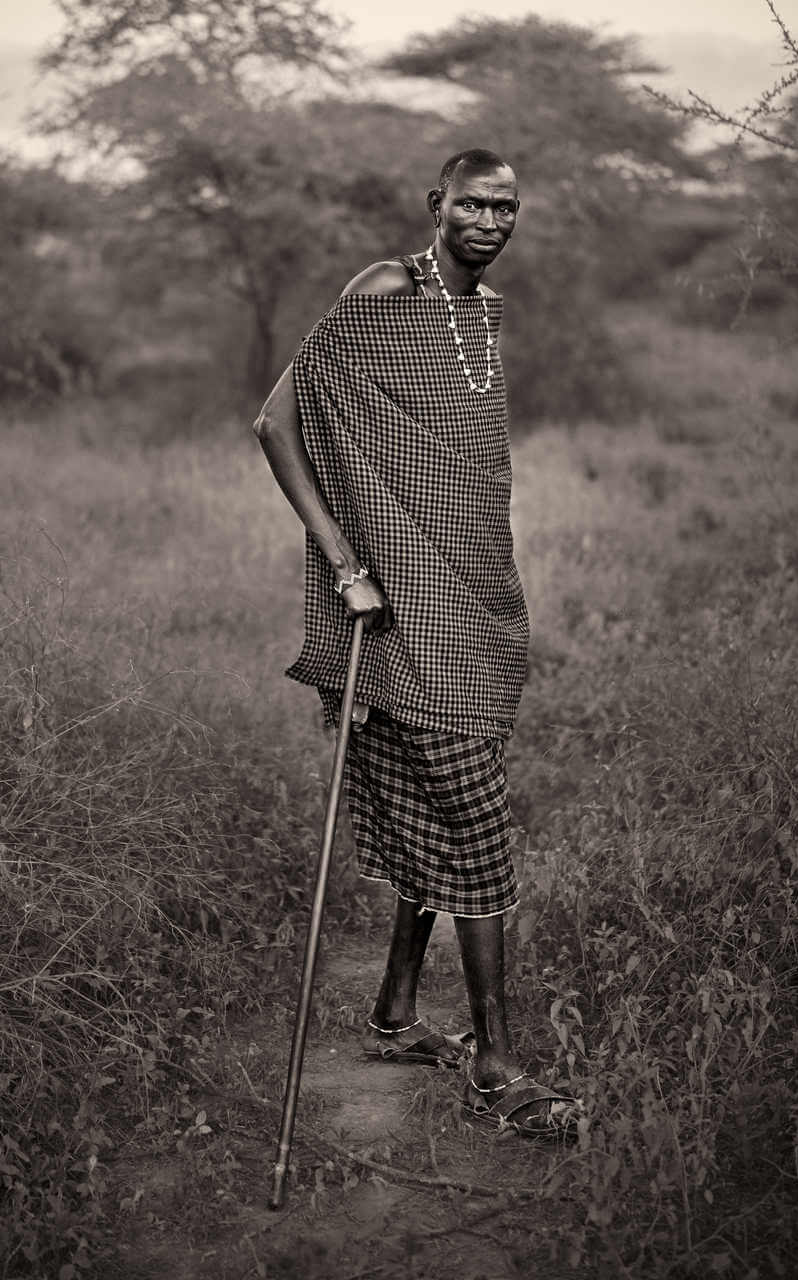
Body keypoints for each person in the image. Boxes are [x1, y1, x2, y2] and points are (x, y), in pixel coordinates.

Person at [253, 148, 567, 1137]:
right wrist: (345, 560)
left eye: (504, 205)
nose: (488, 217)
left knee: (440, 801)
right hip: (395, 599)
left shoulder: (484, 315)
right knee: (474, 817)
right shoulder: (386, 289)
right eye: (472, 200)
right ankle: (498, 1065)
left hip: (471, 593)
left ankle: (394, 1007)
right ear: (438, 203)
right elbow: (274, 423)